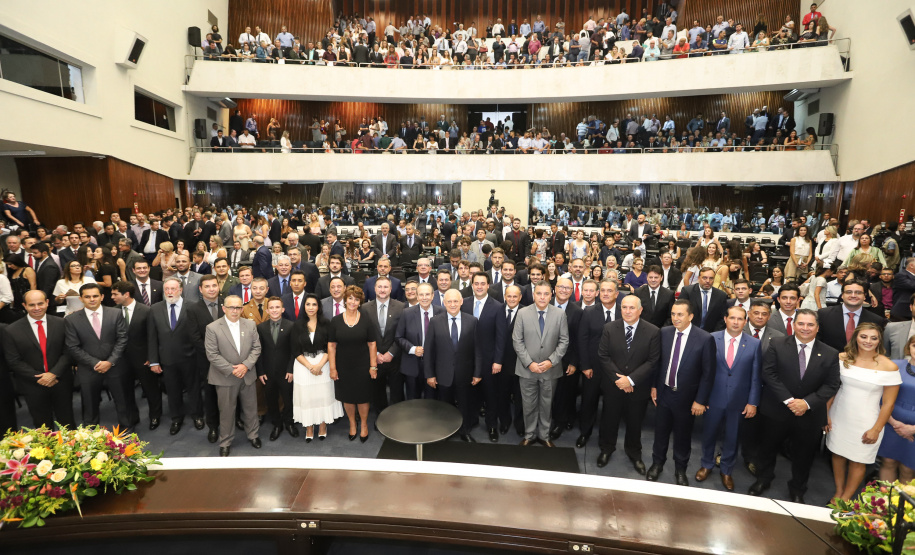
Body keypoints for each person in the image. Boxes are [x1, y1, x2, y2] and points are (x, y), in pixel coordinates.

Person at [749, 309, 841, 504]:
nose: (805, 328)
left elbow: (832, 384)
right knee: (767, 448)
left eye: (810, 325)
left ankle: (798, 488)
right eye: (801, 324)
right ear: (794, 325)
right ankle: (763, 479)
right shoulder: (778, 344)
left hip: (809, 414)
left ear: (817, 327)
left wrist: (806, 403)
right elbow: (769, 374)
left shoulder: (830, 353)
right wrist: (790, 401)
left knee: (804, 455)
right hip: (776, 410)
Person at [826, 323, 901, 501]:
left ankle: (846, 498)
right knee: (837, 454)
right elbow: (832, 390)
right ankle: (838, 491)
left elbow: (888, 404)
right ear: (856, 337)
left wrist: (876, 429)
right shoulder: (842, 358)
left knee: (857, 460)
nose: (868, 341)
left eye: (873, 338)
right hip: (839, 414)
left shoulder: (889, 366)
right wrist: (826, 414)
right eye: (864, 337)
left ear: (879, 340)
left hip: (867, 420)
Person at [648, 300, 716, 485]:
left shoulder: (704, 338)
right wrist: (654, 386)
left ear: (691, 316)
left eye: (680, 314)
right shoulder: (664, 333)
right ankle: (657, 463)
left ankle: (680, 469)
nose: (675, 318)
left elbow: (708, 374)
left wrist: (700, 400)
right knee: (660, 433)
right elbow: (658, 363)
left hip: (687, 398)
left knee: (683, 436)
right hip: (664, 393)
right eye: (673, 314)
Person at [696, 305, 761, 490]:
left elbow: (756, 376)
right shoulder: (710, 338)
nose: (736, 322)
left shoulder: (754, 344)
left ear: (745, 321)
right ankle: (706, 464)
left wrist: (752, 402)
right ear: (725, 319)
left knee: (732, 437)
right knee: (708, 434)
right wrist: (701, 398)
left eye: (740, 319)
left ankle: (726, 470)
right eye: (732, 318)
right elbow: (703, 371)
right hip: (713, 398)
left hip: (739, 401)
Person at [595, 294, 661, 471]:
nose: (628, 311)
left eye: (632, 308)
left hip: (637, 387)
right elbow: (603, 356)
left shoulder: (653, 331)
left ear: (640, 310)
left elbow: (653, 361)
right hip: (613, 385)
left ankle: (634, 452)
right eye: (624, 307)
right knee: (609, 419)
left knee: (635, 422)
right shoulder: (609, 328)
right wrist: (621, 380)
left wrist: (630, 380)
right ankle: (606, 449)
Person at [3, 290, 75, 429]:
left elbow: (69, 352)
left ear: (47, 302)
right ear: (24, 305)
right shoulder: (12, 330)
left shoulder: (62, 323)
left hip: (61, 381)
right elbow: (13, 361)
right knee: (42, 426)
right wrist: (40, 377)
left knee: (67, 423)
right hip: (33, 385)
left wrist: (53, 374)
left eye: (40, 303)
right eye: (32, 305)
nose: (37, 308)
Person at [64, 283, 130, 429]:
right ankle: (91, 433)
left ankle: (127, 429)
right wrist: (95, 363)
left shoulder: (116, 313)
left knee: (122, 401)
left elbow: (122, 339)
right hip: (88, 369)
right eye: (87, 297)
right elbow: (73, 347)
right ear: (81, 299)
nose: (92, 299)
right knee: (89, 404)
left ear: (102, 296)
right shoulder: (71, 320)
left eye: (95, 296)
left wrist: (110, 361)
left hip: (115, 366)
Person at [205, 294, 262, 457]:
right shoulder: (213, 327)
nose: (235, 311)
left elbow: (256, 348)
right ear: (224, 308)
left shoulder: (250, 325)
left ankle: (253, 435)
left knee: (251, 409)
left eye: (238, 307)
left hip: (247, 374)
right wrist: (233, 369)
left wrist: (245, 366)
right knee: (227, 411)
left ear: (242, 309)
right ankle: (226, 442)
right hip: (225, 377)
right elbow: (212, 354)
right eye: (231, 307)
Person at [424, 289, 480, 442]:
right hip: (442, 373)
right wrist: (430, 374)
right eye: (449, 301)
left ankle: (464, 431)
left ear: (461, 302)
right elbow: (429, 350)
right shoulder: (435, 321)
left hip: (465, 373)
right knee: (444, 406)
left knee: (464, 403)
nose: (453, 304)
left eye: (456, 301)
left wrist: (477, 373)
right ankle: (445, 432)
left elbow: (477, 349)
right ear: (444, 302)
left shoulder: (472, 321)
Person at [148, 277, 199, 435]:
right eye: (167, 289)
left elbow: (198, 334)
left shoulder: (193, 307)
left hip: (191, 358)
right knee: (172, 390)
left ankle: (197, 415)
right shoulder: (155, 309)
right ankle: (176, 418)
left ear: (181, 290)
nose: (170, 292)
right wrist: (154, 361)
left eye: (173, 289)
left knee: (194, 389)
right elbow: (152, 337)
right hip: (167, 359)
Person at [329, 285, 379, 442]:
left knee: (363, 397)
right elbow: (331, 345)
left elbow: (372, 344)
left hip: (363, 366)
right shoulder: (336, 321)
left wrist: (373, 366)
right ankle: (352, 423)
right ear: (345, 300)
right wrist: (332, 368)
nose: (352, 301)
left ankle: (363, 424)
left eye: (356, 299)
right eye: (350, 298)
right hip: (343, 366)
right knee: (348, 397)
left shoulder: (366, 320)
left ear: (360, 302)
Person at [463, 272, 507, 441]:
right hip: (467, 359)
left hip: (489, 361)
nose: (479, 286)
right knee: (470, 394)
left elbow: (501, 337)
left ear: (488, 285)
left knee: (490, 395)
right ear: (472, 285)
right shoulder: (464, 304)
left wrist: (498, 361)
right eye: (476, 283)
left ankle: (491, 426)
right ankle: (472, 421)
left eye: (483, 283)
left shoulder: (497, 306)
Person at [292, 294, 343, 441]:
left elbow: (331, 346)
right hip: (303, 366)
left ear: (318, 307)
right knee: (307, 397)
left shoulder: (327, 323)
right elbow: (295, 350)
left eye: (314, 304)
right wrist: (310, 367)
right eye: (308, 304)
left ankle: (322, 425)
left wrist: (319, 365)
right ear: (304, 306)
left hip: (324, 364)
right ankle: (309, 427)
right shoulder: (297, 325)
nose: (311, 307)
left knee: (322, 396)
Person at [110, 281, 157, 431]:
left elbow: (152, 336)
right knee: (125, 392)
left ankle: (155, 416)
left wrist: (152, 357)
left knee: (151, 390)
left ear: (126, 294)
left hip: (143, 359)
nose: (112, 297)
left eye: (115, 294)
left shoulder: (146, 311)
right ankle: (132, 418)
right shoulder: (112, 311)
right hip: (121, 361)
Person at [255, 296, 297, 441]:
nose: (274, 310)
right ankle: (277, 424)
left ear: (283, 309)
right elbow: (258, 351)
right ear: (267, 310)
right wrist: (260, 372)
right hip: (267, 373)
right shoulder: (260, 327)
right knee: (271, 400)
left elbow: (294, 351)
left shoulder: (291, 326)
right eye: (271, 308)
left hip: (286, 372)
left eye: (277, 307)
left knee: (288, 399)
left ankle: (289, 422)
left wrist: (291, 369)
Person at [362, 276, 405, 412]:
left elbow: (403, 333)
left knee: (397, 392)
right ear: (374, 289)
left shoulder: (401, 307)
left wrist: (391, 352)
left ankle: (396, 419)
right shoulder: (364, 308)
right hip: (375, 358)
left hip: (395, 357)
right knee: (377, 392)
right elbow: (363, 334)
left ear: (391, 289)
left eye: (386, 287)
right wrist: (377, 354)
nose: (382, 290)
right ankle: (381, 418)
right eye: (379, 287)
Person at [395, 282, 444, 401]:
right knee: (413, 401)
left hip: (435, 365)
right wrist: (412, 349)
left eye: (427, 294)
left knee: (433, 401)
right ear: (417, 296)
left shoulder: (442, 312)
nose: (424, 297)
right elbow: (398, 337)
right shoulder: (407, 313)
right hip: (413, 365)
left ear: (433, 296)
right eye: (421, 295)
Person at [879, 334, 915, 484]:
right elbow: (881, 397)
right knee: (888, 462)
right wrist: (894, 424)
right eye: (914, 346)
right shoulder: (894, 365)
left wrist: (912, 429)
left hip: (913, 431)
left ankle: (902, 506)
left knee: (908, 469)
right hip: (890, 424)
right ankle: (884, 504)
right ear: (909, 347)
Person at [817, 278, 886, 353]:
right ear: (842, 295)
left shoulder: (876, 320)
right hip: (830, 362)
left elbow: (877, 348)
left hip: (861, 362)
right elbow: (817, 343)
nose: (853, 295)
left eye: (858, 293)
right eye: (849, 292)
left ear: (864, 296)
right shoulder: (823, 315)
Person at [678, 267, 727, 332]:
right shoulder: (687, 291)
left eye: (711, 278)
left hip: (711, 333)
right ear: (699, 278)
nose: (708, 281)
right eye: (704, 278)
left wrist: (714, 335)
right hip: (689, 331)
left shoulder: (721, 295)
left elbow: (722, 318)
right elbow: (680, 312)